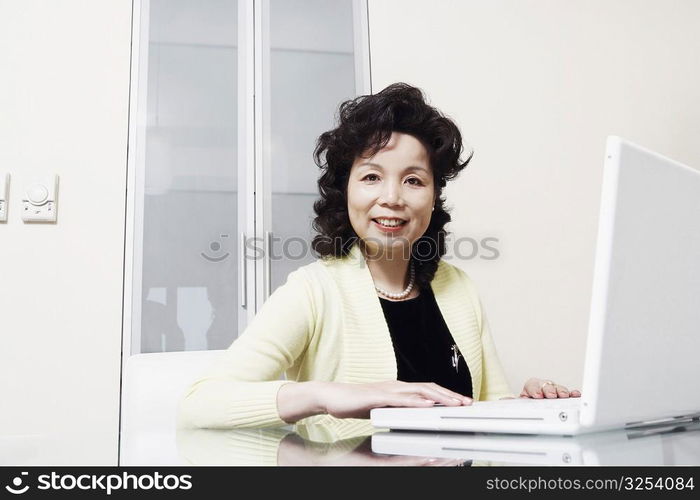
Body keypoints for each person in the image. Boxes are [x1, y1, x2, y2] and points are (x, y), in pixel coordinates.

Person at [178, 83, 579, 430]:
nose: (392, 197)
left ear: (433, 196)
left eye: (413, 180)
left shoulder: (458, 286)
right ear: (345, 191)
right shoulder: (312, 292)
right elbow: (199, 403)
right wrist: (324, 395)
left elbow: (491, 409)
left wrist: (532, 408)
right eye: (371, 176)